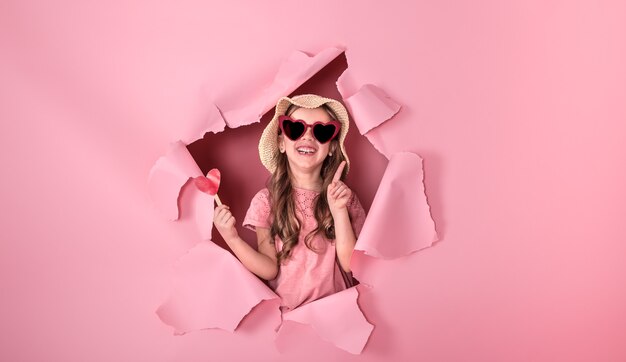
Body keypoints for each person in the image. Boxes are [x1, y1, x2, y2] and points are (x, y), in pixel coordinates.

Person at [213, 94, 367, 312]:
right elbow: (269, 270)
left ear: (332, 148)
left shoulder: (345, 198)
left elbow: (352, 264)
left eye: (321, 132)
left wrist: (339, 211)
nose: (307, 137)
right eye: (295, 129)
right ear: (281, 143)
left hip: (339, 311)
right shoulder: (266, 202)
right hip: (291, 318)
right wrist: (231, 238)